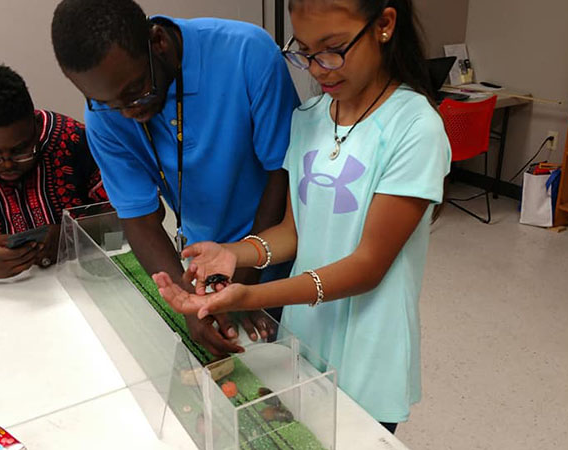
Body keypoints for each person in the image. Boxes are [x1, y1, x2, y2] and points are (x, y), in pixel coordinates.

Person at [153, 0, 451, 434]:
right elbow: (293, 232)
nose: (317, 69)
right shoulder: (308, 119)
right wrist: (233, 254)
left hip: (369, 345)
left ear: (384, 25)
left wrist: (249, 297)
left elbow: (368, 266)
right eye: (305, 52)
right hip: (307, 332)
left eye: (332, 49)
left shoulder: (415, 127)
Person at [50, 0, 300, 356]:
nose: (128, 113)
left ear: (158, 43)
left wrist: (243, 287)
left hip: (280, 252)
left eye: (136, 91)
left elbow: (283, 173)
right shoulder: (104, 114)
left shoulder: (246, 52)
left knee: (292, 358)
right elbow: (138, 217)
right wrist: (189, 305)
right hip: (206, 264)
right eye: (107, 102)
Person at [0, 64, 107, 279]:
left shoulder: (73, 141)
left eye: (21, 150)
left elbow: (135, 219)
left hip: (79, 284)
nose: (7, 164)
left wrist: (71, 236)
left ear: (36, 125)